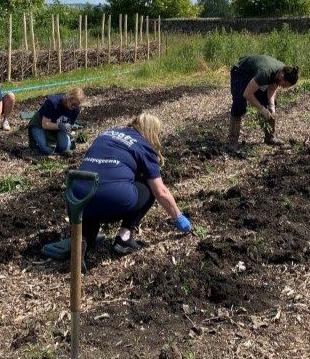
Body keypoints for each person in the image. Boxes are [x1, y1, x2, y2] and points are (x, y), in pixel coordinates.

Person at [69, 112, 192, 255]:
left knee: (97, 188)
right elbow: (161, 191)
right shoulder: (144, 146)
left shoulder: (107, 133)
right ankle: (124, 238)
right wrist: (179, 217)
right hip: (111, 198)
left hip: (76, 196)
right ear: (152, 132)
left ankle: (84, 236)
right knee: (148, 186)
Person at [228, 54, 299, 150]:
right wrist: (261, 109)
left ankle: (270, 137)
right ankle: (233, 141)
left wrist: (271, 106)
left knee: (268, 104)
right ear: (281, 75)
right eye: (284, 84)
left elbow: (272, 88)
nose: (282, 86)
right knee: (239, 104)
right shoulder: (265, 73)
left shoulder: (281, 73)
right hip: (240, 72)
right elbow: (248, 94)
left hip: (254, 74)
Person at [28, 87, 84, 155]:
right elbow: (45, 124)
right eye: (73, 104)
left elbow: (69, 125)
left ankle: (53, 142)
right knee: (47, 150)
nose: (73, 107)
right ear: (68, 98)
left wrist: (69, 129)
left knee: (64, 147)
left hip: (56, 127)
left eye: (76, 105)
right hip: (40, 124)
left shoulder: (75, 110)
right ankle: (37, 141)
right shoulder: (52, 102)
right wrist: (60, 125)